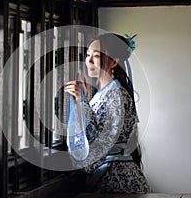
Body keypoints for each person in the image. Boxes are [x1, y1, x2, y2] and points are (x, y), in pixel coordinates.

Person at [64, 32, 151, 193]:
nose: (89, 61)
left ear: (113, 62)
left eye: (96, 56)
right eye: (88, 55)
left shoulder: (117, 95)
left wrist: (81, 102)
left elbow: (102, 141)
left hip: (117, 180)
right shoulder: (104, 93)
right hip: (110, 174)